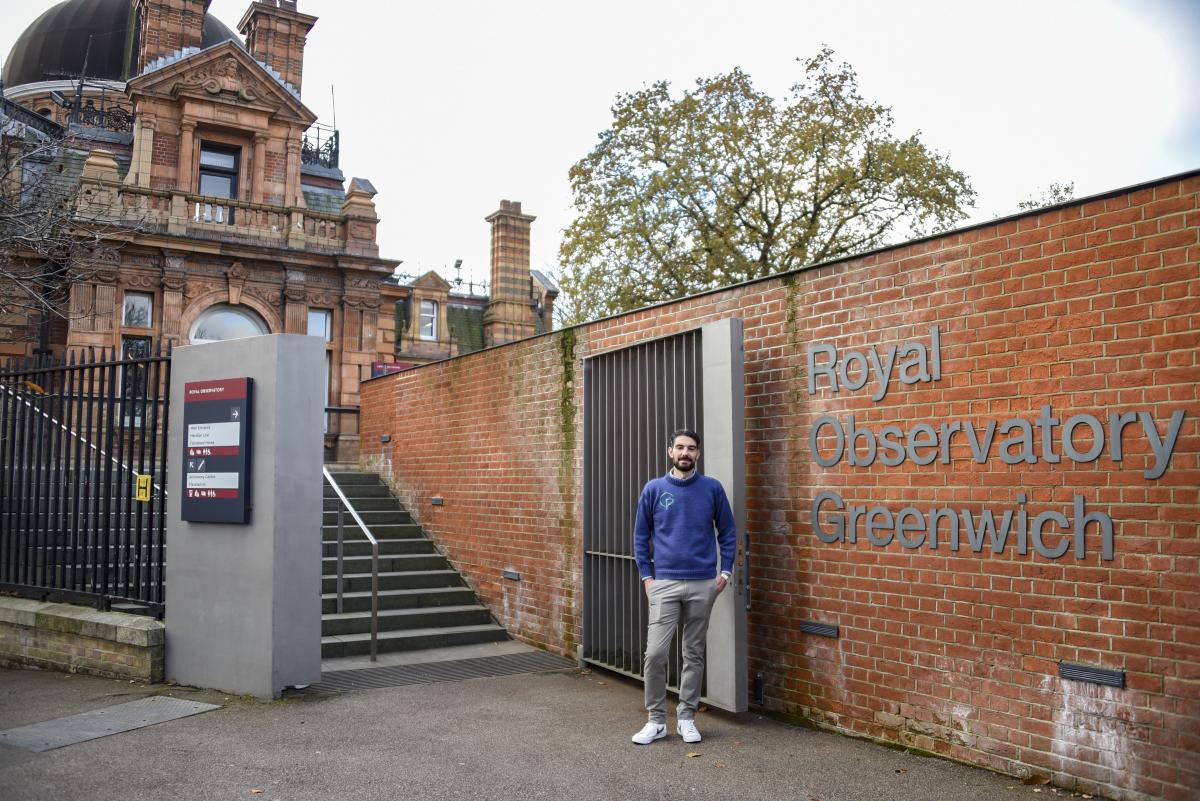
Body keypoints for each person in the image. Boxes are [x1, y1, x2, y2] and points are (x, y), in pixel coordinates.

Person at [631, 428, 735, 745]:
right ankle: (656, 720)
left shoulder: (712, 489)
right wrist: (648, 577)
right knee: (655, 654)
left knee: (693, 653)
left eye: (691, 448)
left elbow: (728, 532)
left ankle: (687, 718)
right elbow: (640, 536)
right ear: (670, 452)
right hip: (664, 583)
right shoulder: (654, 489)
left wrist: (726, 573)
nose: (685, 453)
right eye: (680, 447)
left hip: (703, 582)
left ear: (698, 454)